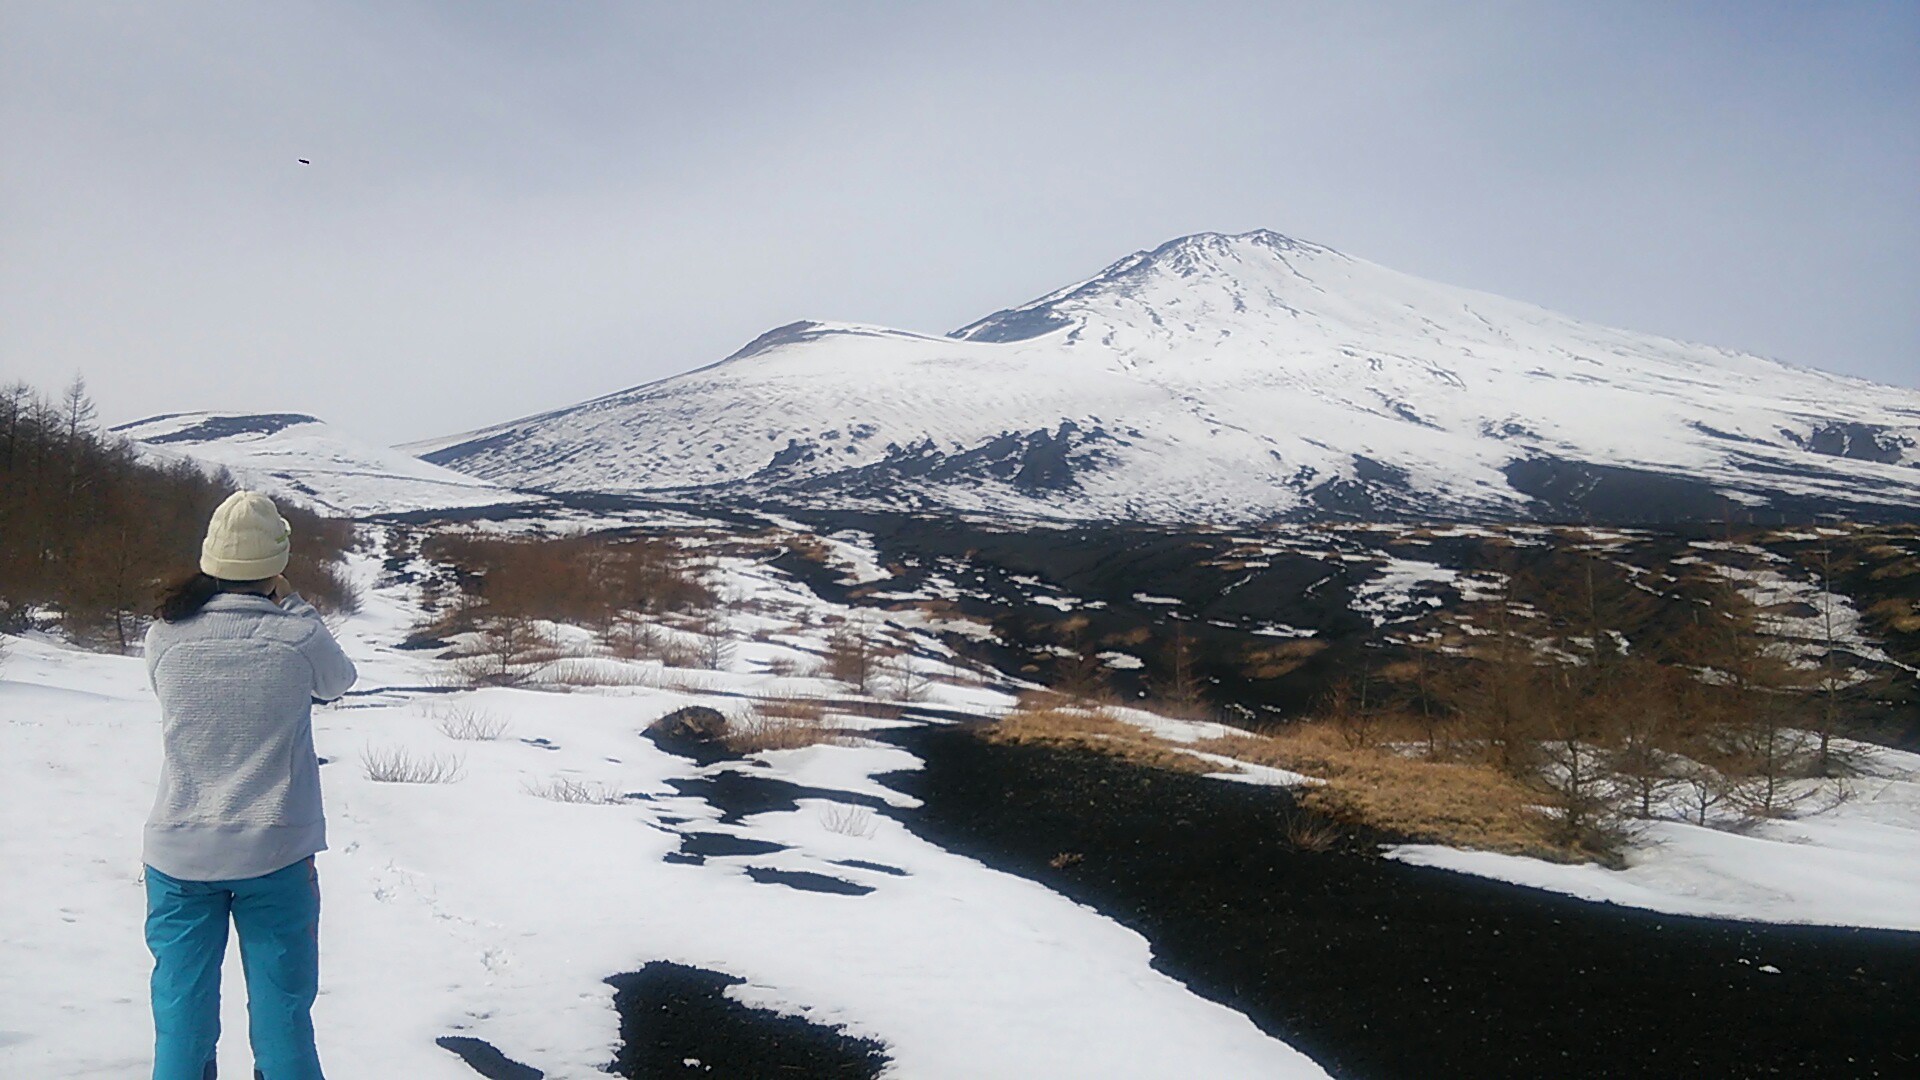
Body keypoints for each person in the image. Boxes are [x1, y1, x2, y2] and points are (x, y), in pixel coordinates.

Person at [142, 491, 357, 1080]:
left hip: (178, 851)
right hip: (275, 851)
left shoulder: (165, 635)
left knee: (180, 1021)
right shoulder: (296, 636)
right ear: (275, 567)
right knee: (282, 1016)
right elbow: (338, 682)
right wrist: (297, 607)